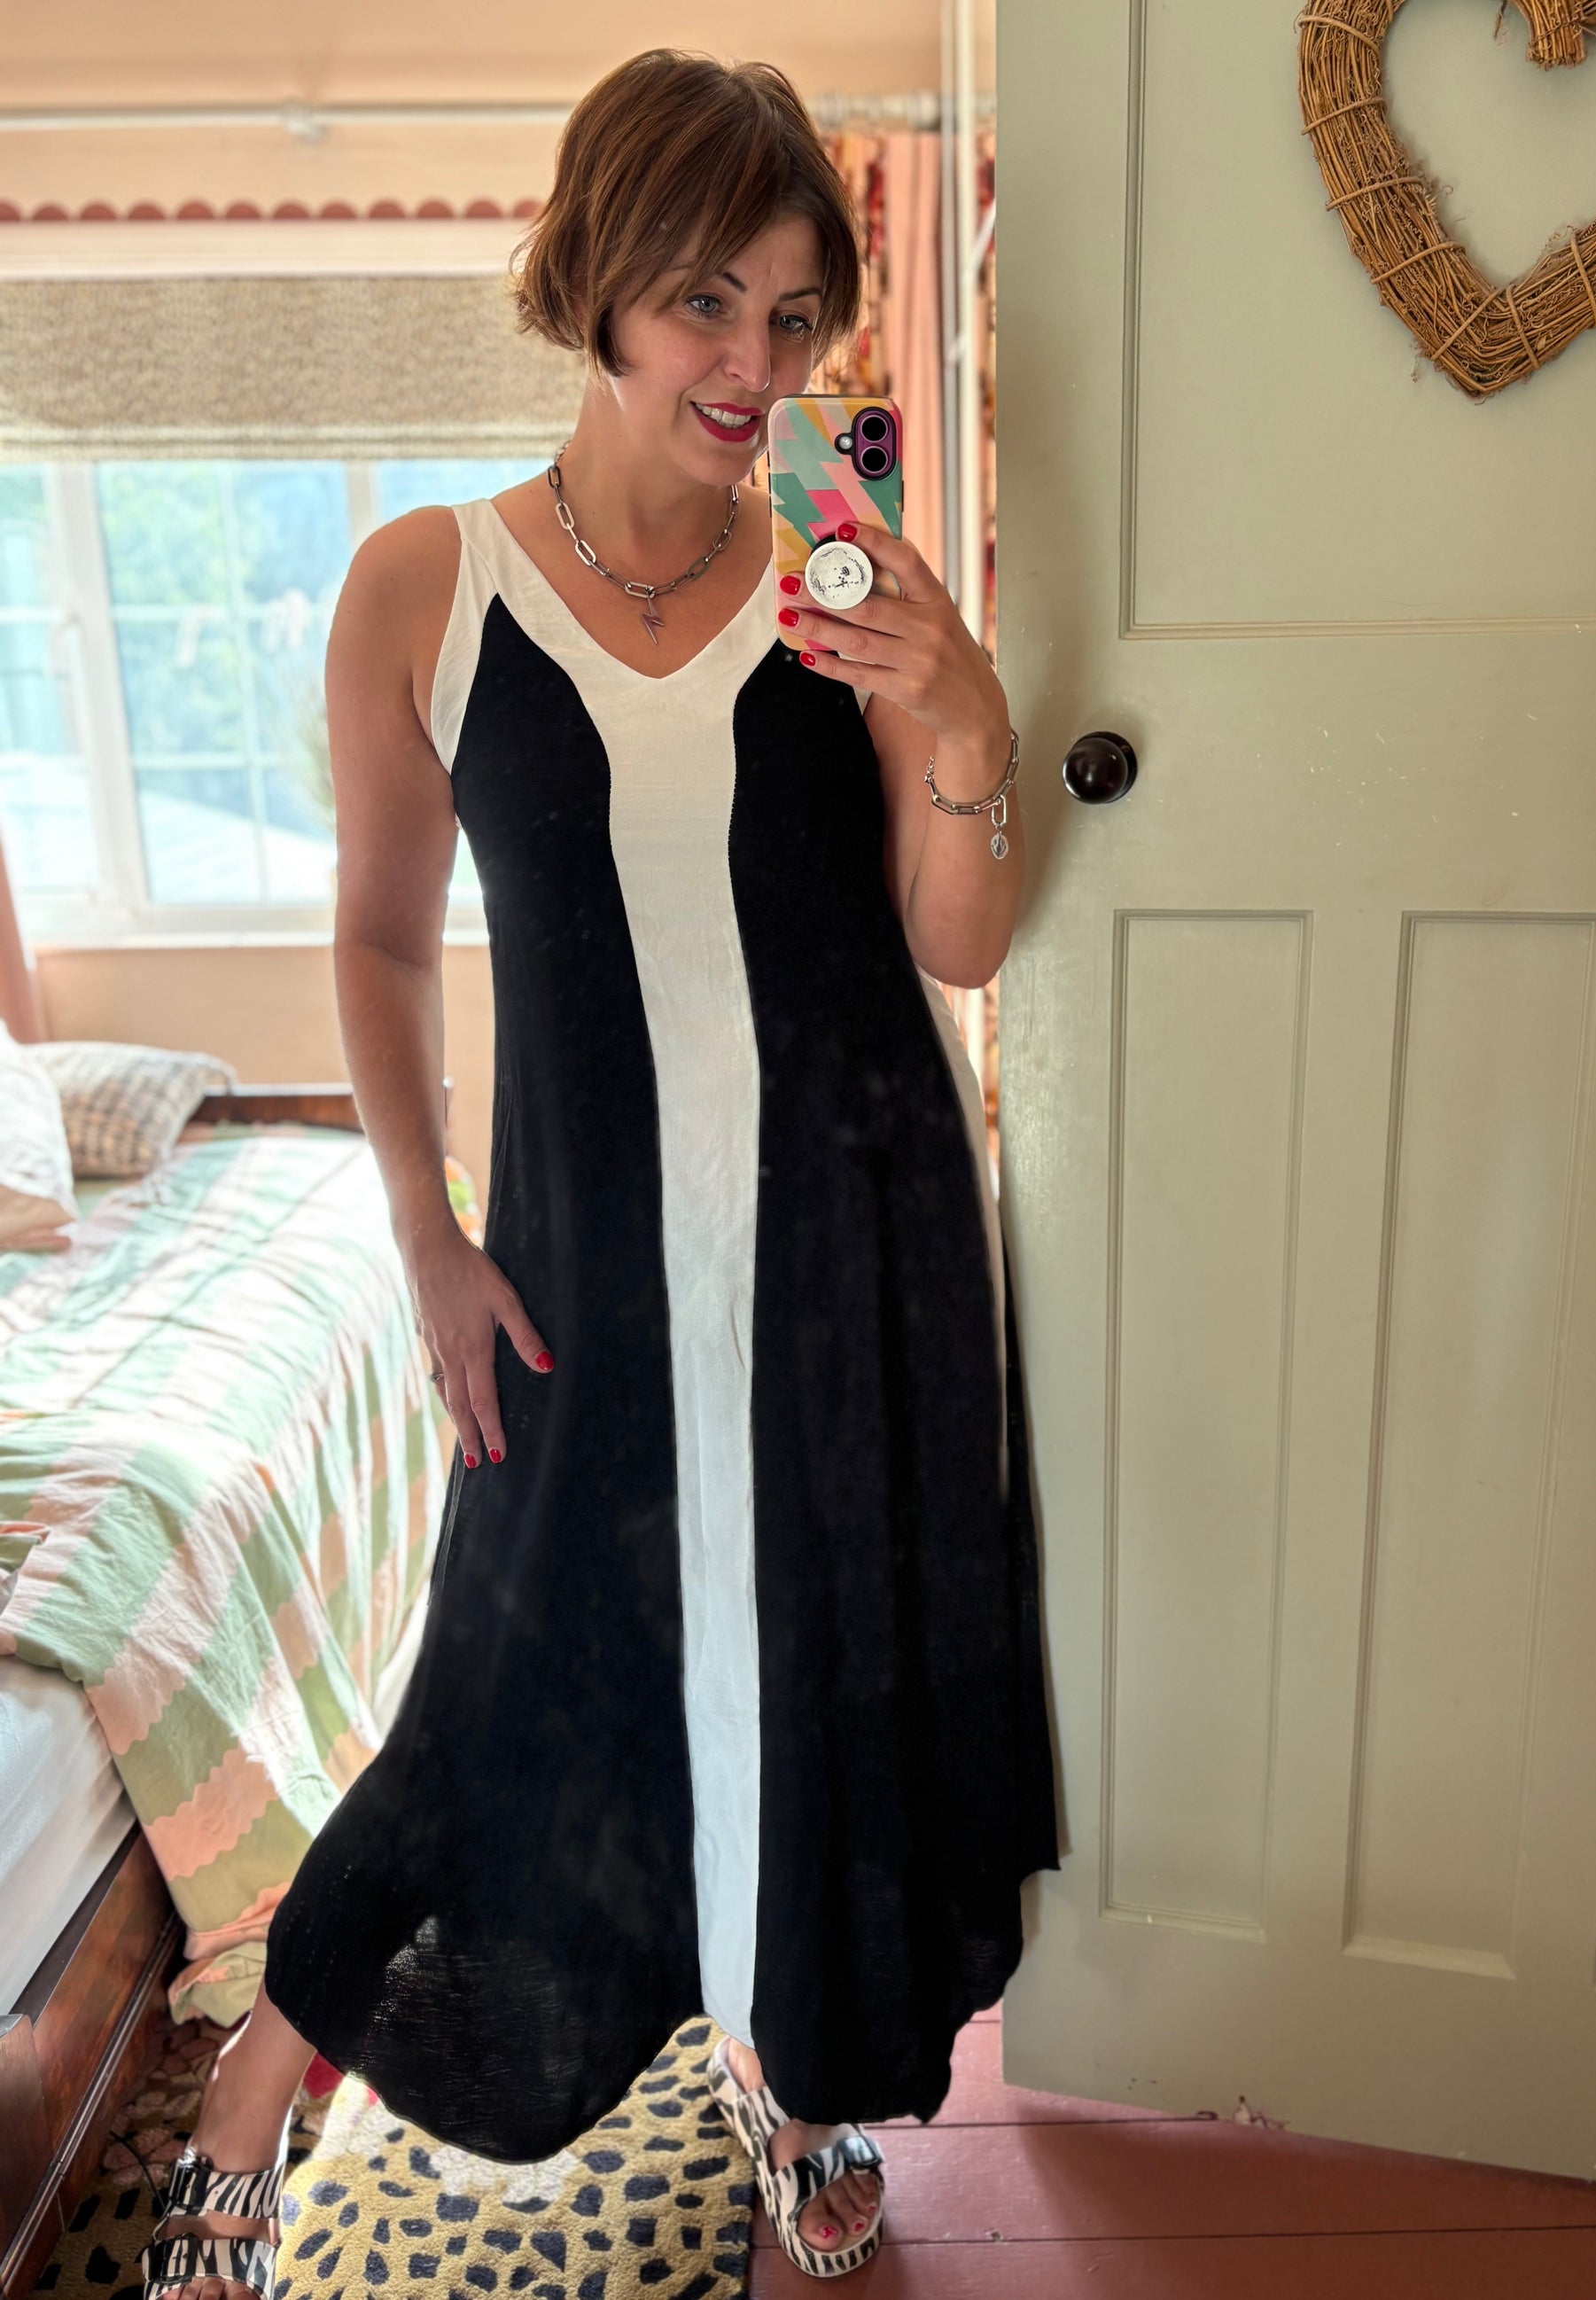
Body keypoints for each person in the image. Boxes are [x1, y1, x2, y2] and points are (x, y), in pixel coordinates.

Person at [139, 46, 1058, 2298]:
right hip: (579, 1257)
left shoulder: (843, 575)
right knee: (515, 1671)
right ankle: (264, 2074)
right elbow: (376, 938)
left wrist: (962, 715)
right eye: (702, 301)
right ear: (597, 285)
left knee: (813, 1675)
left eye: (793, 312)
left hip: (854, 1243)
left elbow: (958, 942)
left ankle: (794, 2071)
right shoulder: (426, 588)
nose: (753, 364)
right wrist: (424, 1231)